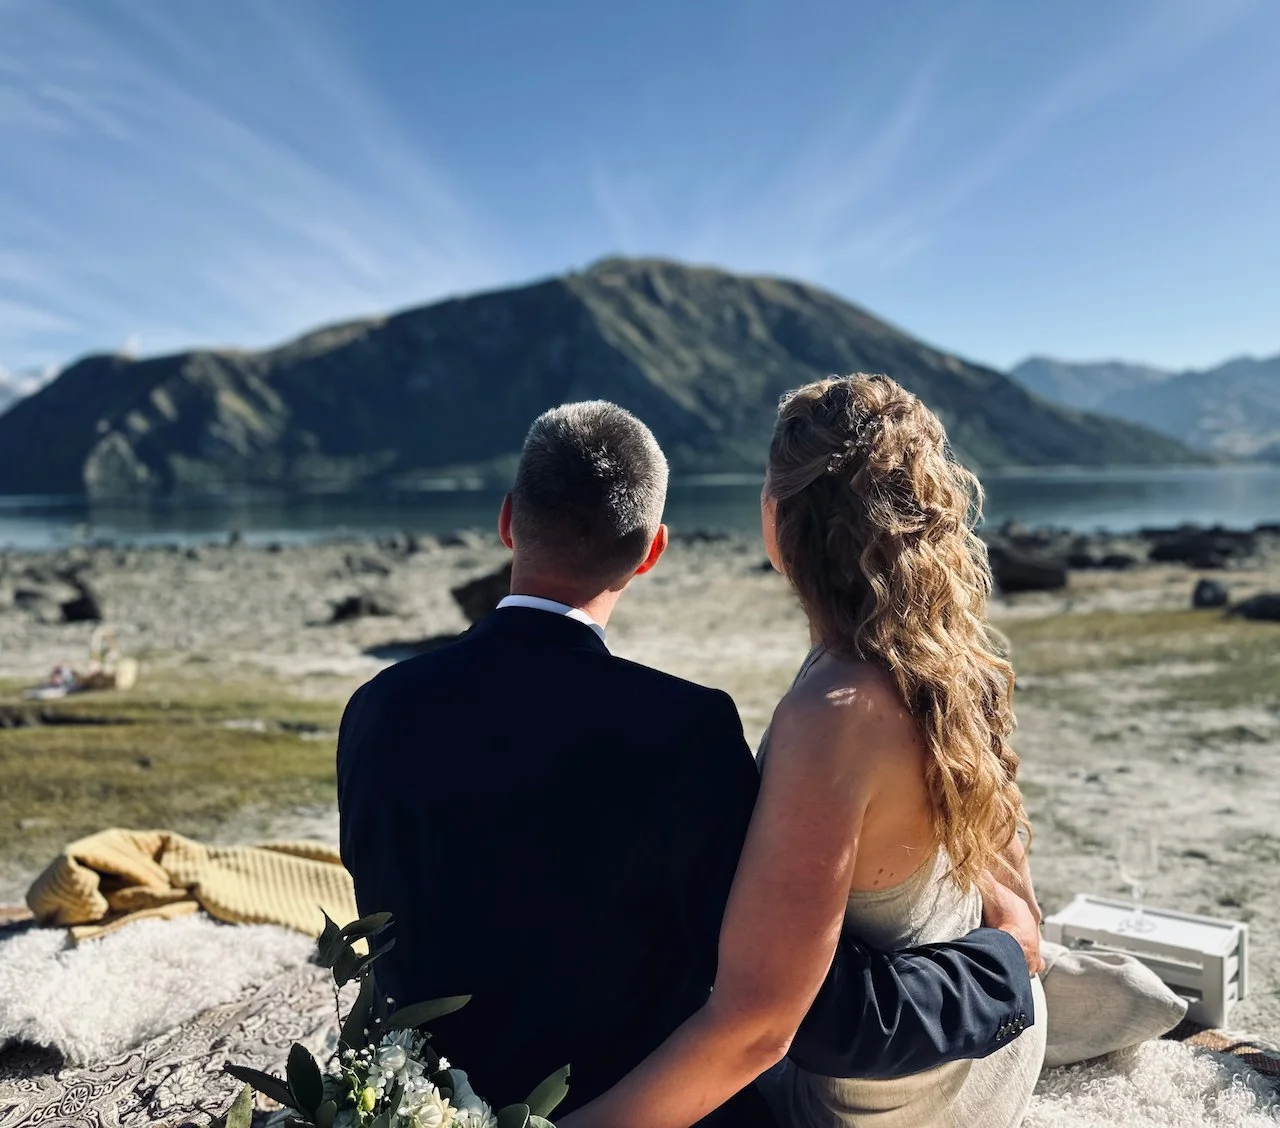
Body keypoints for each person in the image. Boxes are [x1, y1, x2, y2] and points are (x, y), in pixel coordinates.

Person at [338, 399, 1037, 1127]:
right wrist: (1003, 962)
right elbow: (774, 1006)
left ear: (509, 521)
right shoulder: (682, 729)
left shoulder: (376, 708)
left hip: (412, 1096)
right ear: (651, 550)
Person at [559, 376, 1046, 1128]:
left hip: (888, 1105)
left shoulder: (833, 713)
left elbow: (759, 1030)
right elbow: (1018, 903)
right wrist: (1011, 953)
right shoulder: (949, 664)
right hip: (996, 1053)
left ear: (778, 518)